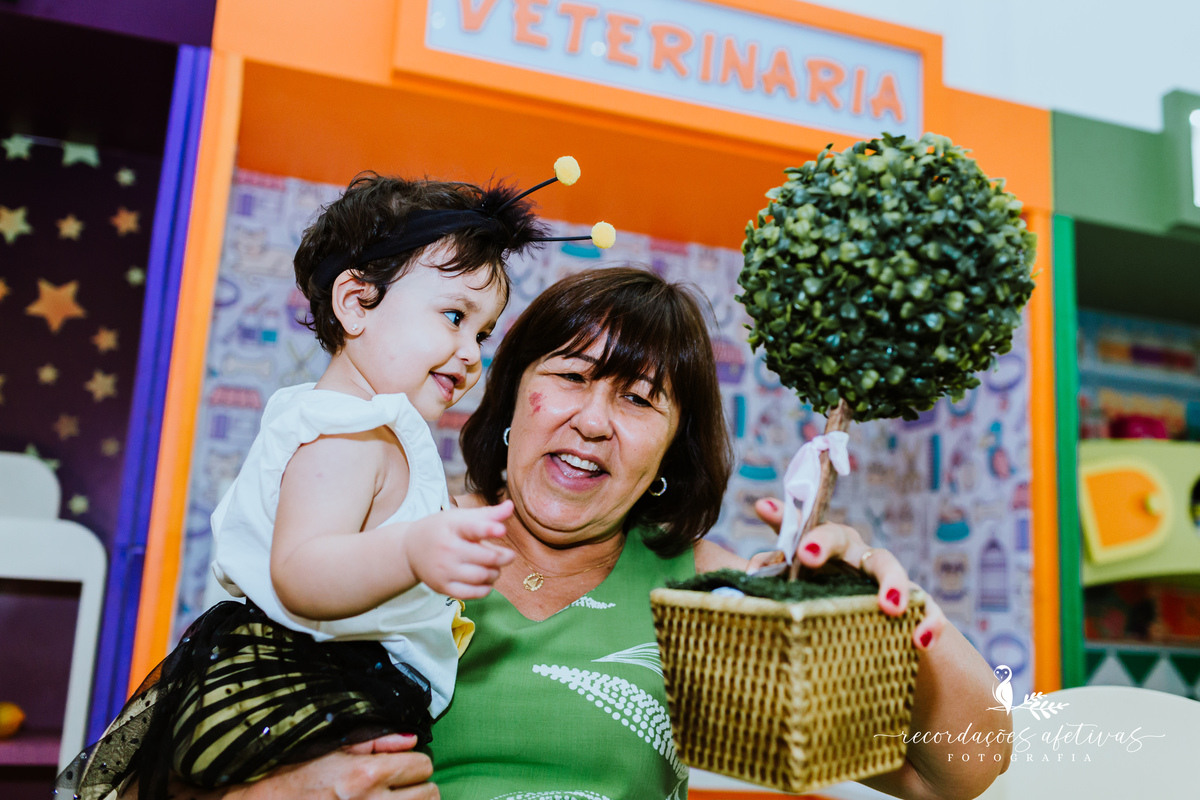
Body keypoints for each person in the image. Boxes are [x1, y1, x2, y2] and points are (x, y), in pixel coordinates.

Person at [137, 267, 1012, 800]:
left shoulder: (700, 594)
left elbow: (957, 774)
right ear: (513, 397)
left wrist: (904, 619)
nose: (594, 420)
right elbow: (180, 746)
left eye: (639, 400)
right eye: (571, 377)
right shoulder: (381, 537)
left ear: (671, 445)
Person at [63, 173, 565, 800]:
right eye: (454, 316)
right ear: (355, 303)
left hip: (335, 684)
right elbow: (302, 571)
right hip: (304, 685)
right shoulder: (347, 433)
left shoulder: (374, 429)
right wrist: (414, 551)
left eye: (482, 333)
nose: (470, 353)